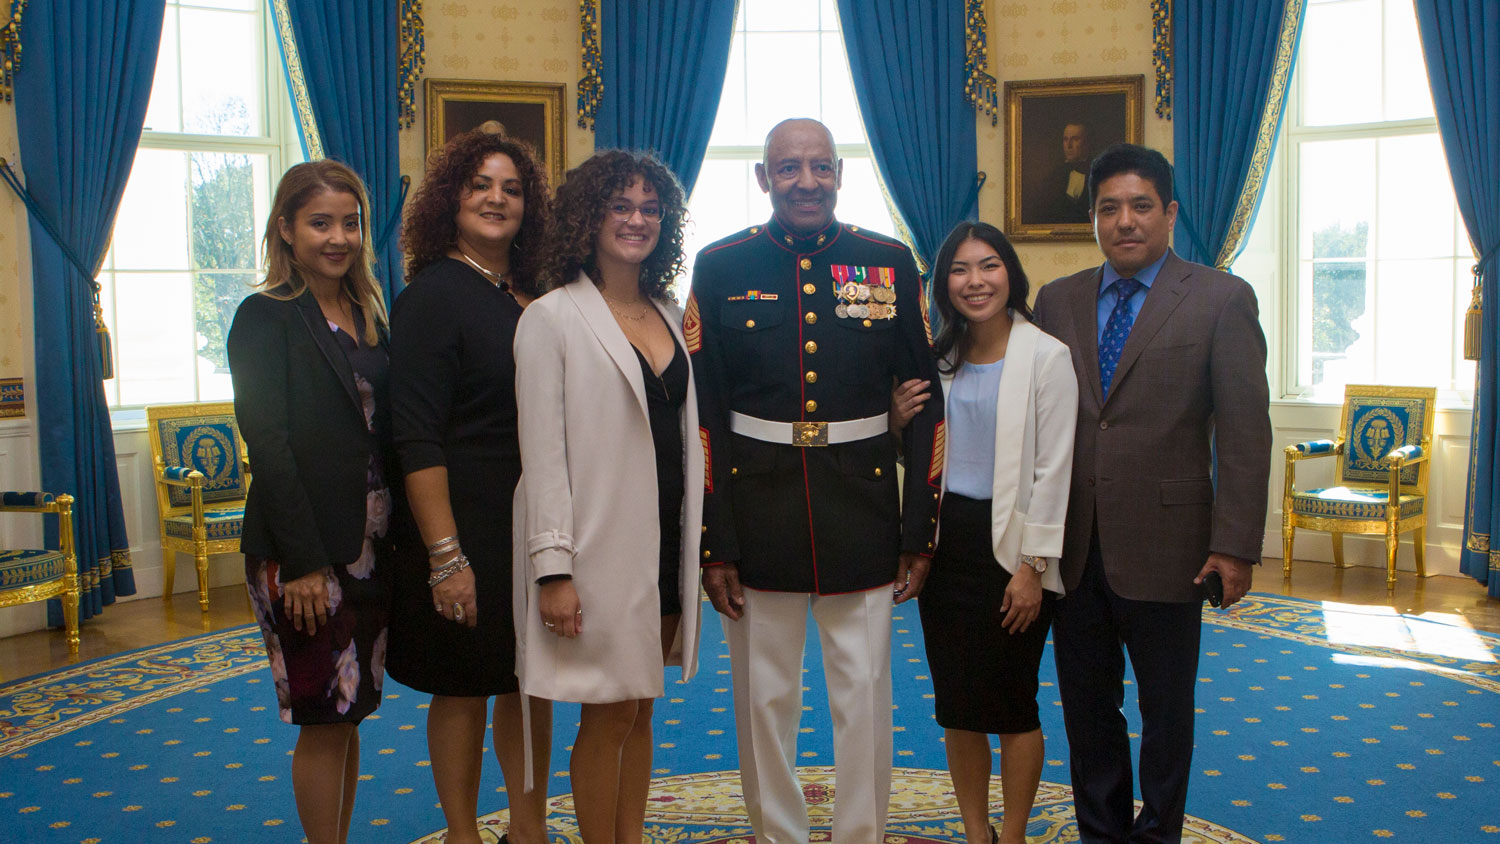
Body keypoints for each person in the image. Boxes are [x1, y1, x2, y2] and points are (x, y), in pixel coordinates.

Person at [689, 117, 944, 844]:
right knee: (765, 698)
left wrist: (919, 530)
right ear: (764, 178)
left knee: (863, 694)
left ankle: (862, 833)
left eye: (820, 166)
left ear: (839, 173)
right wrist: (715, 540)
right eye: (789, 168)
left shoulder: (887, 261)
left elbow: (928, 406)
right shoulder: (722, 265)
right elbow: (705, 417)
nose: (807, 182)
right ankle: (779, 835)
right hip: (757, 506)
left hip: (862, 505)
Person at [1031, 143, 1272, 843]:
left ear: (1169, 213)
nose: (1125, 221)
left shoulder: (1221, 298)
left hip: (1172, 547)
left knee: (1166, 712)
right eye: (1109, 208)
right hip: (1074, 547)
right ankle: (1100, 832)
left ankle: (1160, 832)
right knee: (1086, 708)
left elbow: (1245, 432)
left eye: (1141, 206)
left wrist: (1235, 546)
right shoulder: (1058, 300)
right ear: (1093, 218)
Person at [513, 150, 704, 844]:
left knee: (641, 705)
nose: (636, 220)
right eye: (620, 206)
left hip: (665, 544)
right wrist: (553, 569)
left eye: (651, 208)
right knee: (609, 712)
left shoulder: (669, 312)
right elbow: (543, 456)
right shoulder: (552, 317)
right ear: (588, 218)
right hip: (596, 550)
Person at [384, 129, 553, 844]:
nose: (496, 199)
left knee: (531, 682)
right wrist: (445, 556)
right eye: (480, 185)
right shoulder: (432, 296)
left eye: (512, 189)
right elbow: (415, 436)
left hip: (536, 521)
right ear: (450, 199)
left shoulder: (538, 292)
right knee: (463, 687)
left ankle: (529, 828)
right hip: (460, 524)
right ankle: (462, 833)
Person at [228, 159, 400, 844]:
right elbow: (267, 446)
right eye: (320, 223)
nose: (338, 238)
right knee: (325, 717)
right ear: (286, 228)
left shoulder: (370, 312)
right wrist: (302, 563)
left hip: (370, 546)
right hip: (301, 552)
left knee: (350, 713)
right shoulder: (263, 317)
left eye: (350, 224)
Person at [913, 222, 1078, 844]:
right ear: (943, 283)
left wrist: (1033, 568)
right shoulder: (939, 358)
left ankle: (1011, 835)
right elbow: (925, 456)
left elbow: (1054, 469)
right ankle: (974, 832)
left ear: (1011, 272)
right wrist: (900, 421)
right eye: (959, 269)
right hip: (946, 547)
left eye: (988, 266)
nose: (975, 281)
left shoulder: (1047, 356)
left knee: (1012, 705)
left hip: (1013, 550)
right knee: (957, 706)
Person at [1033, 122, 1091, 224]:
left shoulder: (1098, 174)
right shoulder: (1053, 177)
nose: (1069, 145)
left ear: (1086, 143)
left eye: (1075, 139)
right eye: (1065, 139)